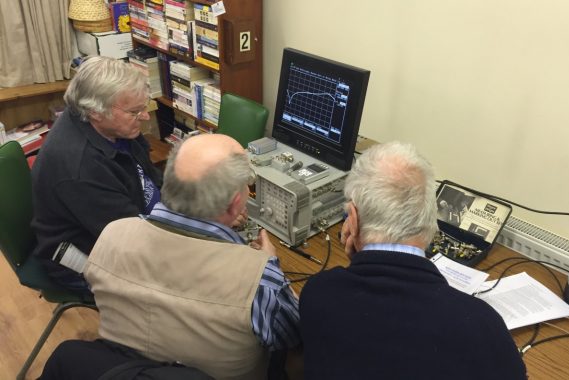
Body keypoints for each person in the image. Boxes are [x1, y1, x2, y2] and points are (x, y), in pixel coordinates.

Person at [299, 142, 527, 380]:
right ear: (430, 220)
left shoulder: (319, 293)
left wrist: (362, 262)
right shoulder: (482, 326)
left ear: (352, 221)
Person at [84, 134, 301, 380]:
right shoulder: (261, 278)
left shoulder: (112, 234)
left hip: (125, 371)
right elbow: (296, 335)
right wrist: (273, 269)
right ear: (235, 204)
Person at [31, 56, 163, 293]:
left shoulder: (114, 126)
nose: (144, 117)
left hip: (126, 222)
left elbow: (149, 177)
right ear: (95, 112)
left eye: (144, 106)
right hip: (86, 257)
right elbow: (133, 242)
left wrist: (194, 205)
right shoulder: (80, 169)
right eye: (135, 111)